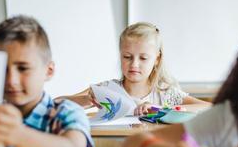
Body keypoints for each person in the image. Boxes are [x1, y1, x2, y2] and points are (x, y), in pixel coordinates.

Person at [0, 15, 94, 147]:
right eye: (3, 69)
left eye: (23, 68)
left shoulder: (66, 113)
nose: (11, 80)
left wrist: (18, 135)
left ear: (48, 71)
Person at [58, 22, 210, 115]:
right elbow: (55, 103)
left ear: (157, 59)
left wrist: (160, 110)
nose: (134, 64)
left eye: (143, 58)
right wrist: (86, 100)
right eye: (127, 57)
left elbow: (208, 107)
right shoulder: (106, 89)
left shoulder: (165, 94)